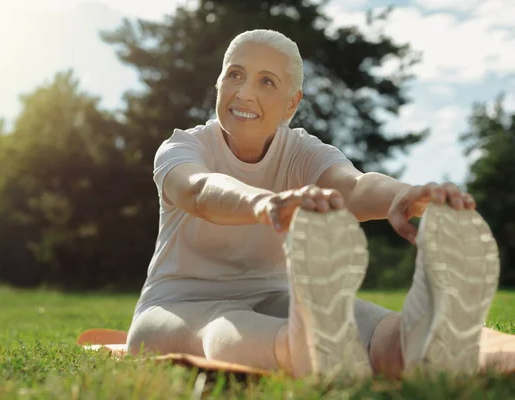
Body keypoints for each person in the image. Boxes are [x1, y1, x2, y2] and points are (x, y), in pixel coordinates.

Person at [126, 29, 507, 380]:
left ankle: (415, 343)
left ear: (292, 104)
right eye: (235, 75)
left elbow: (353, 187)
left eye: (266, 82)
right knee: (221, 322)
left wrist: (405, 195)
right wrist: (266, 203)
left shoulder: (301, 151)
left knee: (371, 328)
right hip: (177, 305)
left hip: (280, 296)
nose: (243, 92)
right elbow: (200, 191)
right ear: (219, 81)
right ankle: (299, 346)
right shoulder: (182, 147)